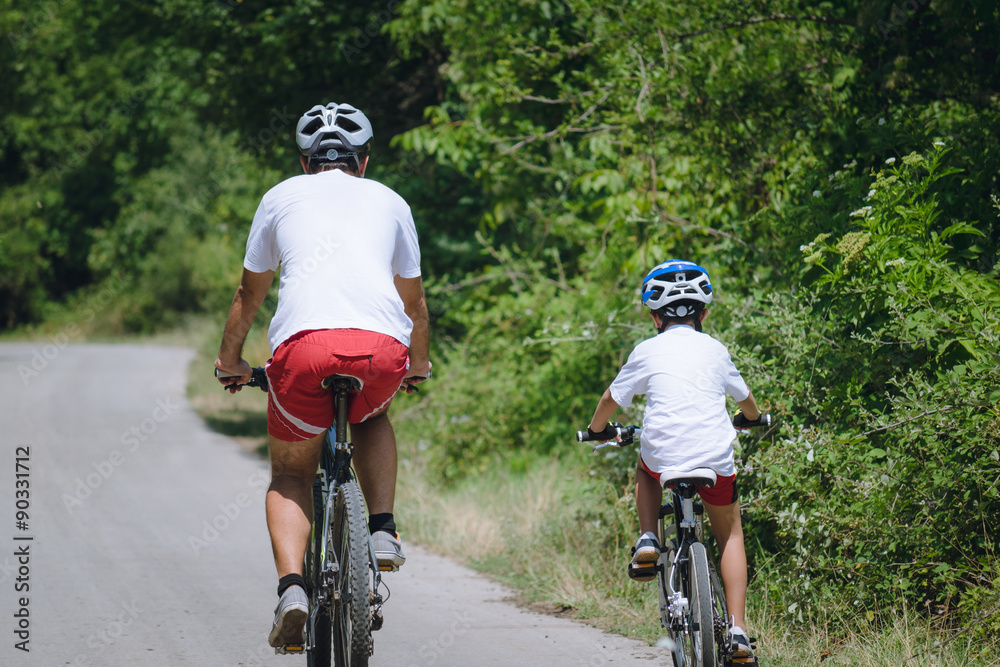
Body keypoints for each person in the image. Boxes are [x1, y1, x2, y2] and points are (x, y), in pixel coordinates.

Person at [214, 102, 431, 648]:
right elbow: (415, 303)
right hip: (379, 349)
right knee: (375, 414)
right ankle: (381, 529)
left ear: (306, 163)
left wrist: (230, 362)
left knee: (291, 474)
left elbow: (249, 293)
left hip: (303, 351)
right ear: (363, 161)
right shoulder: (391, 199)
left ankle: (292, 589)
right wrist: (418, 365)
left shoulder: (280, 196)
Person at [585, 259, 765, 660]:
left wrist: (599, 429)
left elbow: (610, 399)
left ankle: (649, 536)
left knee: (646, 470)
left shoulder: (647, 350)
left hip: (664, 455)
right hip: (714, 459)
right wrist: (751, 419)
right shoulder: (716, 349)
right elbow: (746, 400)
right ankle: (737, 631)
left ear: (654, 317)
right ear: (704, 313)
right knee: (731, 534)